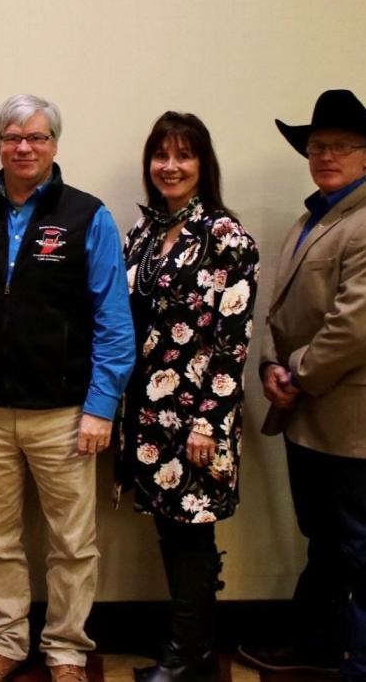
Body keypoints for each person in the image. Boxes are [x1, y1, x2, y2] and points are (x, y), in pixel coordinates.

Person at [0, 94, 135, 682]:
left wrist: (101, 406)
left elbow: (113, 321)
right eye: (13, 136)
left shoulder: (87, 216)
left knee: (72, 542)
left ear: (54, 145)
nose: (24, 147)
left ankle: (68, 650)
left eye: (37, 137)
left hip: (66, 413)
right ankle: (4, 642)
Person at [237, 90, 366, 682]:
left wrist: (296, 374)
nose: (325, 155)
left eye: (340, 146)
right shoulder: (309, 219)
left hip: (360, 422)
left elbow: (354, 327)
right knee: (327, 542)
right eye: (317, 146)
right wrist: (270, 366)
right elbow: (279, 313)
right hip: (308, 414)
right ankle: (317, 644)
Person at [114, 113, 259, 682]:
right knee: (172, 530)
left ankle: (187, 658)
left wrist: (208, 424)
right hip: (148, 415)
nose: (170, 167)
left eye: (183, 156)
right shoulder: (145, 233)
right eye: (161, 155)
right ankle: (191, 648)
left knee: (192, 531)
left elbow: (233, 340)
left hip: (198, 416)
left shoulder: (226, 237)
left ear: (203, 165)